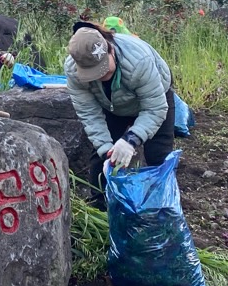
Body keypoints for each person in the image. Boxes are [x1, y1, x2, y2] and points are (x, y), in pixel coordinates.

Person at [65, 21, 175, 188]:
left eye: (103, 69)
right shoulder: (74, 72)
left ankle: (160, 206)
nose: (100, 76)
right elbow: (89, 113)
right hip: (111, 104)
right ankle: (103, 207)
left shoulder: (138, 61)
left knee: (158, 155)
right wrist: (105, 149)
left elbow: (155, 108)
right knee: (101, 162)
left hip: (154, 99)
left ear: (111, 50)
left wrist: (131, 139)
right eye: (93, 73)